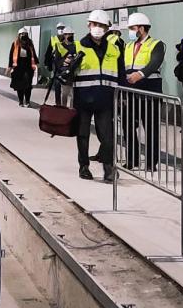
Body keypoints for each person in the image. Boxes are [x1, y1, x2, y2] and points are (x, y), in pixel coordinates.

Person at [71, 9, 121, 181]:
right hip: (83, 98)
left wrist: (123, 96)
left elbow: (120, 74)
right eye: (95, 24)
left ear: (107, 29)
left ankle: (108, 168)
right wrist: (69, 66)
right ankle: (84, 166)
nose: (98, 28)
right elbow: (65, 73)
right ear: (89, 25)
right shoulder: (77, 47)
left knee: (107, 136)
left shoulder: (114, 49)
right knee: (83, 134)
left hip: (105, 99)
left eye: (102, 26)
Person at [121, 12, 164, 171]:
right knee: (127, 125)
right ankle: (132, 159)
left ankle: (152, 162)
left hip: (149, 90)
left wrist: (139, 75)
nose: (130, 32)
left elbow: (155, 62)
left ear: (142, 28)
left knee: (151, 127)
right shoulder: (128, 45)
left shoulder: (156, 44)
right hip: (131, 91)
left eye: (132, 28)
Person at [8, 28, 38, 106]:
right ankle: (21, 101)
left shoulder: (30, 43)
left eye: (25, 34)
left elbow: (33, 53)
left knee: (28, 85)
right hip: (18, 67)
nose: (23, 35)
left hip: (28, 67)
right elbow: (11, 55)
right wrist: (10, 66)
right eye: (21, 34)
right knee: (19, 85)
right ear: (19, 35)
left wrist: (36, 63)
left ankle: (27, 101)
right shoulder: (15, 43)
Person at [53, 26, 77, 107]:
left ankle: (71, 111)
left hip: (74, 73)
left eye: (71, 34)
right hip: (64, 72)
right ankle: (64, 110)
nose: (70, 36)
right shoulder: (59, 45)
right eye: (68, 34)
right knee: (65, 94)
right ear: (64, 35)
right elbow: (57, 60)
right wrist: (65, 62)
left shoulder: (76, 45)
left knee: (74, 95)